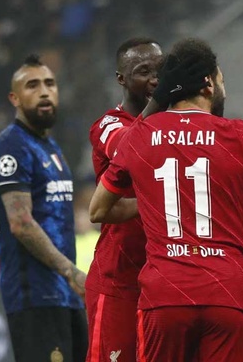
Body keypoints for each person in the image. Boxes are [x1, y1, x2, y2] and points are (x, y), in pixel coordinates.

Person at [88, 38, 243, 362]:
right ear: (209, 84)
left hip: (164, 291)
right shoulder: (240, 135)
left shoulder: (139, 136)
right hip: (225, 292)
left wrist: (158, 200)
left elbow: (98, 209)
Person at [0, 55, 87, 362]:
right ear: (14, 98)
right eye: (32, 85)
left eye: (49, 83)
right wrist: (70, 271)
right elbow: (21, 223)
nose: (44, 91)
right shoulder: (12, 147)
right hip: (34, 296)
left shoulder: (51, 147)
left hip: (65, 295)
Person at [85, 37, 162, 362]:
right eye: (144, 72)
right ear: (121, 79)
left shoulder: (172, 125)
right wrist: (153, 205)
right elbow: (133, 149)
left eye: (161, 71)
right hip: (118, 281)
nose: (155, 80)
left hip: (163, 280)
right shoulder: (108, 125)